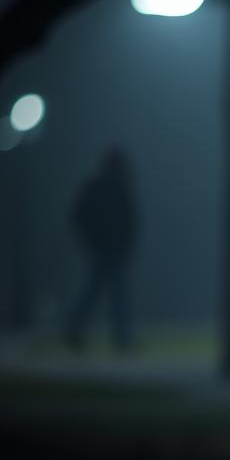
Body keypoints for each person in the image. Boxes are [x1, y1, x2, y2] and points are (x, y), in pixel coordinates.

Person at [64, 147, 138, 351]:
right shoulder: (113, 189)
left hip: (108, 249)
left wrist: (91, 241)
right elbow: (129, 221)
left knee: (98, 292)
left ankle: (76, 330)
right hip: (107, 249)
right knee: (113, 294)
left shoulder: (104, 188)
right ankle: (120, 337)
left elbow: (129, 222)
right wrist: (94, 241)